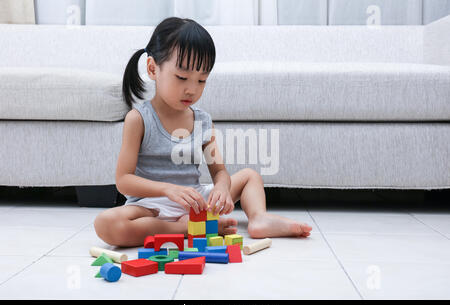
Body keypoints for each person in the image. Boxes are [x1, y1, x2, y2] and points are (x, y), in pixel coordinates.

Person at [94, 17, 312, 247]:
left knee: (250, 176)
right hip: (151, 206)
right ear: (152, 69)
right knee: (106, 224)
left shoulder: (202, 121)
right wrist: (168, 190)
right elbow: (124, 181)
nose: (192, 89)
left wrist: (221, 188)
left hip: (195, 202)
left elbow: (219, 171)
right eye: (181, 77)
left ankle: (258, 218)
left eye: (202, 80)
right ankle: (183, 228)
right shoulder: (138, 119)